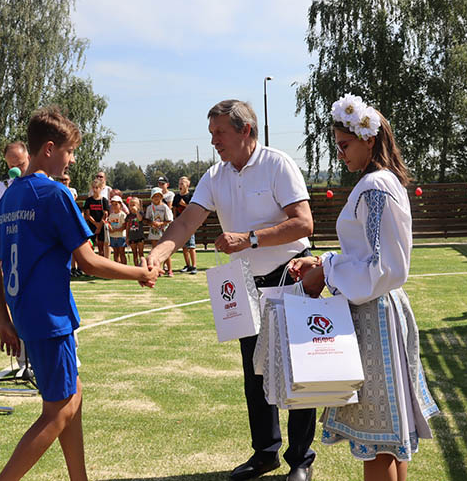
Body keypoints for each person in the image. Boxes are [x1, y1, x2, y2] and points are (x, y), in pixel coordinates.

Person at [0, 106, 159, 481]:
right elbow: (89, 261)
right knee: (58, 411)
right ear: (49, 149)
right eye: (70, 150)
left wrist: (4, 319)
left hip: (28, 317)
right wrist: (139, 273)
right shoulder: (54, 195)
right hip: (51, 319)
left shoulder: (10, 197)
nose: (73, 158)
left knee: (72, 398)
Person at [147, 99, 316, 481]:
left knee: (296, 372)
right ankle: (265, 454)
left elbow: (304, 223)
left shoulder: (278, 164)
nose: (215, 142)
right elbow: (188, 221)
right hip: (243, 285)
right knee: (254, 374)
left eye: (220, 133)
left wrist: (250, 239)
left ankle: (301, 460)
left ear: (245, 131)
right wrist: (159, 253)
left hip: (289, 276)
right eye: (211, 134)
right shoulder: (215, 175)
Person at [288, 95, 438, 481]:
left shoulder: (375, 185)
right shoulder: (376, 184)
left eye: (344, 145)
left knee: (379, 441)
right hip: (375, 309)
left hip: (374, 314)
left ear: (368, 140)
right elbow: (370, 254)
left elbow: (381, 267)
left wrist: (326, 268)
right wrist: (325, 262)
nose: (340, 154)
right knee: (387, 438)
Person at [145, 188, 173, 277]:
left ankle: (170, 270)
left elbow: (169, 220)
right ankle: (158, 269)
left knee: (166, 252)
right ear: (151, 197)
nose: (156, 198)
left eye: (158, 196)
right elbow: (147, 220)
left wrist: (161, 223)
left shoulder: (165, 207)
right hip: (154, 232)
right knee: (155, 251)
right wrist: (152, 223)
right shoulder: (150, 208)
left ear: (161, 197)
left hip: (163, 231)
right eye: (154, 196)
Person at [173, 176, 197, 274]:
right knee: (184, 246)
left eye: (182, 183)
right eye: (179, 183)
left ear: (188, 184)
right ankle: (188, 265)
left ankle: (194, 266)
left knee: (191, 246)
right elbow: (174, 209)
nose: (180, 185)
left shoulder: (191, 196)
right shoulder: (177, 197)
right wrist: (175, 219)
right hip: (180, 224)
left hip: (189, 223)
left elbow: (193, 209)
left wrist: (184, 205)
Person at [83, 178, 110, 259]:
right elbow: (87, 214)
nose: (95, 190)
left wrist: (100, 225)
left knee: (101, 248)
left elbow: (106, 213)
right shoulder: (89, 200)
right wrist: (95, 224)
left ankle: (101, 267)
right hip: (91, 226)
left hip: (101, 227)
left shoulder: (104, 200)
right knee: (90, 247)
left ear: (101, 188)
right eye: (93, 187)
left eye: (97, 188)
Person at [108, 195, 128, 265]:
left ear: (120, 205)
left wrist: (115, 230)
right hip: (113, 237)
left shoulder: (123, 215)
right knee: (115, 253)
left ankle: (124, 268)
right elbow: (109, 224)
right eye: (113, 204)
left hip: (121, 236)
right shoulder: (111, 215)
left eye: (116, 204)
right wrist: (110, 229)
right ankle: (117, 268)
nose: (114, 206)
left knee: (122, 252)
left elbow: (124, 226)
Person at [126, 197, 145, 266]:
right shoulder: (128, 216)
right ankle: (136, 266)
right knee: (134, 253)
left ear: (138, 206)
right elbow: (127, 227)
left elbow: (140, 219)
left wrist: (137, 211)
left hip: (140, 236)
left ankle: (142, 265)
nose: (132, 207)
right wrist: (127, 237)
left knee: (141, 252)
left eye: (134, 204)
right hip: (132, 237)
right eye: (130, 205)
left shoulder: (140, 213)